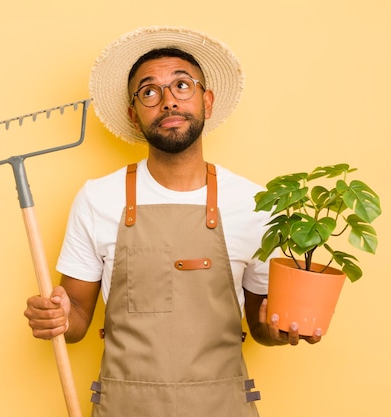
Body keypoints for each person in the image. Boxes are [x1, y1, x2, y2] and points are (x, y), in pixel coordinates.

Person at [24, 26, 322, 417]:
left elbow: (260, 325)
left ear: (207, 101)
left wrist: (280, 328)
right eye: (149, 91)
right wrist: (57, 316)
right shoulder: (98, 199)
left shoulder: (253, 204)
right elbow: (77, 317)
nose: (167, 101)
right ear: (134, 114)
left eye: (182, 85)